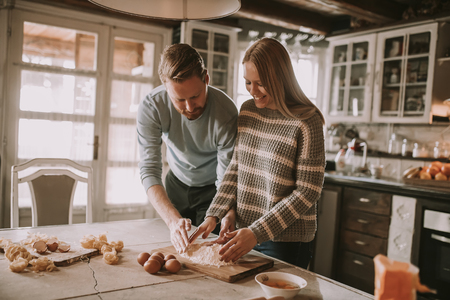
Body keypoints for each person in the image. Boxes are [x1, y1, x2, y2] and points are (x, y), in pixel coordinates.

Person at [190, 38, 325, 269]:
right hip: (242, 234)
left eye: (260, 83)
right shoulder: (248, 110)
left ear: (280, 79)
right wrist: (214, 215)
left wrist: (257, 232)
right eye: (247, 82)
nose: (253, 91)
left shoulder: (306, 120)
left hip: (285, 240)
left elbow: (307, 192)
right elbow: (236, 167)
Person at [137, 43, 238, 254]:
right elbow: (149, 170)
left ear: (206, 79)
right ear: (165, 88)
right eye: (179, 99)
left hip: (213, 191)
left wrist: (226, 211)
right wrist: (173, 222)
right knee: (175, 253)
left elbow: (225, 178)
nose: (190, 107)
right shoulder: (152, 106)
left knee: (208, 255)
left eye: (195, 96)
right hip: (175, 184)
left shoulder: (226, 113)